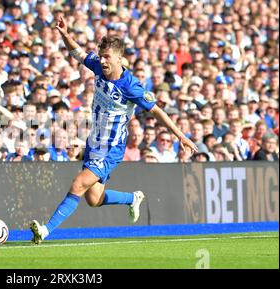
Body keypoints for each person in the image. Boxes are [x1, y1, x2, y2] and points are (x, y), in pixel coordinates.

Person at [29, 17, 198, 245]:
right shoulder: (98, 67)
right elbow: (77, 53)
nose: (102, 60)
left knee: (78, 184)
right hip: (94, 143)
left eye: (107, 56)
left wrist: (180, 135)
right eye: (101, 56)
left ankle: (45, 230)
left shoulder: (131, 86)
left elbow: (157, 111)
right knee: (93, 198)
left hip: (111, 149)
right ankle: (132, 198)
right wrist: (65, 34)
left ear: (120, 58)